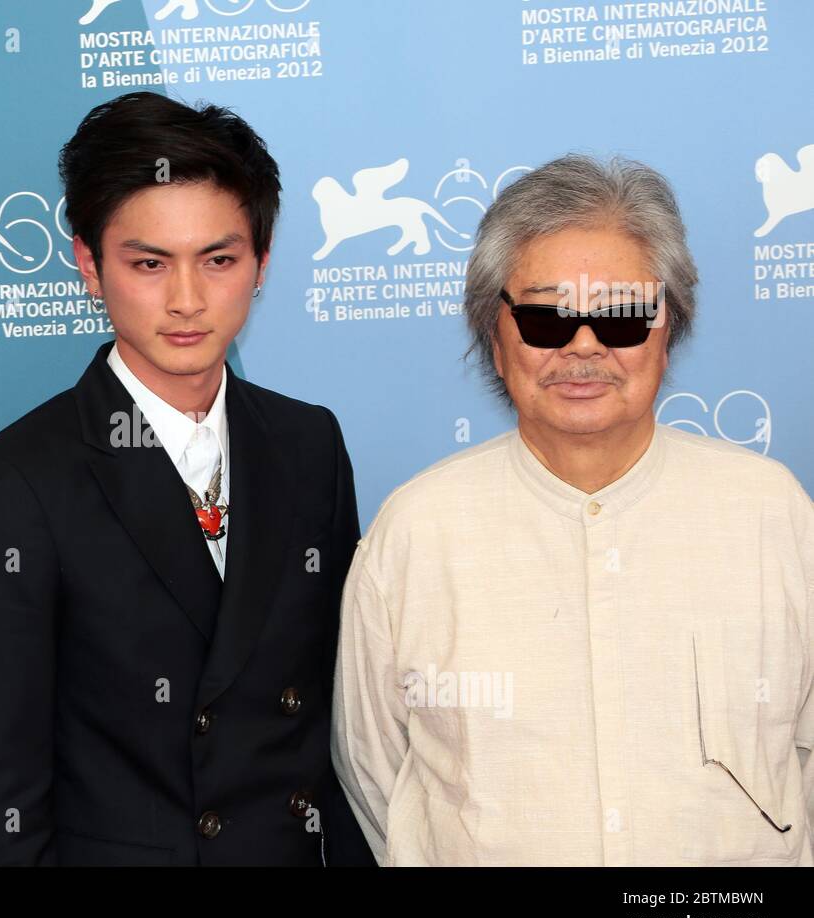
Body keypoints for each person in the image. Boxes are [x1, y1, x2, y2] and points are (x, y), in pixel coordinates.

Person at [332, 154, 814, 865]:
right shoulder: (416, 533)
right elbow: (375, 778)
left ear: (668, 331)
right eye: (547, 317)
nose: (584, 347)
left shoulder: (774, 514)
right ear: (495, 340)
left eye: (619, 317)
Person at [0, 91, 372, 866]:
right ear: (89, 266)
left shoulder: (310, 444)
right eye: (148, 263)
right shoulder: (15, 483)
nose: (186, 299)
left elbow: (334, 721)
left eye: (219, 259)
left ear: (262, 264)